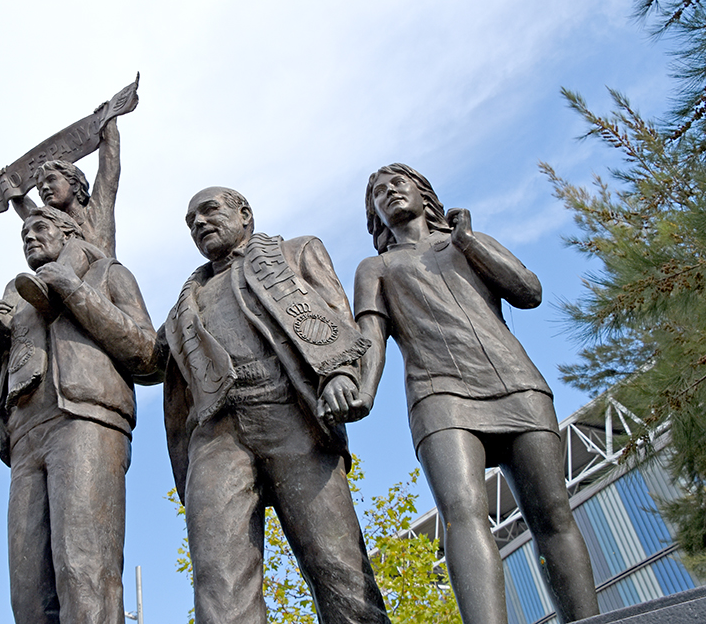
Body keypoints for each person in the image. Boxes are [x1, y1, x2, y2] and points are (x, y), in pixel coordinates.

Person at [352, 163, 599, 624]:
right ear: (376, 218)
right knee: (463, 514)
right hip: (438, 395)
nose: (388, 194)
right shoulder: (376, 268)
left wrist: (471, 241)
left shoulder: (468, 243)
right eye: (378, 195)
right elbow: (369, 338)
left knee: (553, 513)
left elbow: (528, 292)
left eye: (396, 185)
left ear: (424, 193)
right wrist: (362, 392)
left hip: (517, 384)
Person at [158, 186, 390, 624]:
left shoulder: (296, 252)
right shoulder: (183, 306)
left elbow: (338, 317)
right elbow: (146, 359)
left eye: (209, 212)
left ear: (245, 214)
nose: (200, 224)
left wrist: (340, 373)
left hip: (291, 415)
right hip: (216, 432)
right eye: (191, 223)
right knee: (220, 583)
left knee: (338, 568)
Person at [0, 205, 157, 624]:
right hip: (25, 437)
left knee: (83, 572)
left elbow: (149, 357)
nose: (29, 238)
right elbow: (2, 382)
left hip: (85, 420)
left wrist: (73, 290)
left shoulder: (108, 274)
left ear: (69, 233)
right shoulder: (16, 297)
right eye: (24, 234)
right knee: (28, 595)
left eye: (40, 228)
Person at [13, 117, 122, 257]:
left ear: (75, 184)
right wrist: (10, 188)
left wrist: (108, 122)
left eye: (51, 180)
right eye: (39, 187)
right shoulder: (51, 225)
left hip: (105, 276)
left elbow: (109, 168)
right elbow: (27, 210)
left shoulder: (97, 212)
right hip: (68, 278)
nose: (44, 188)